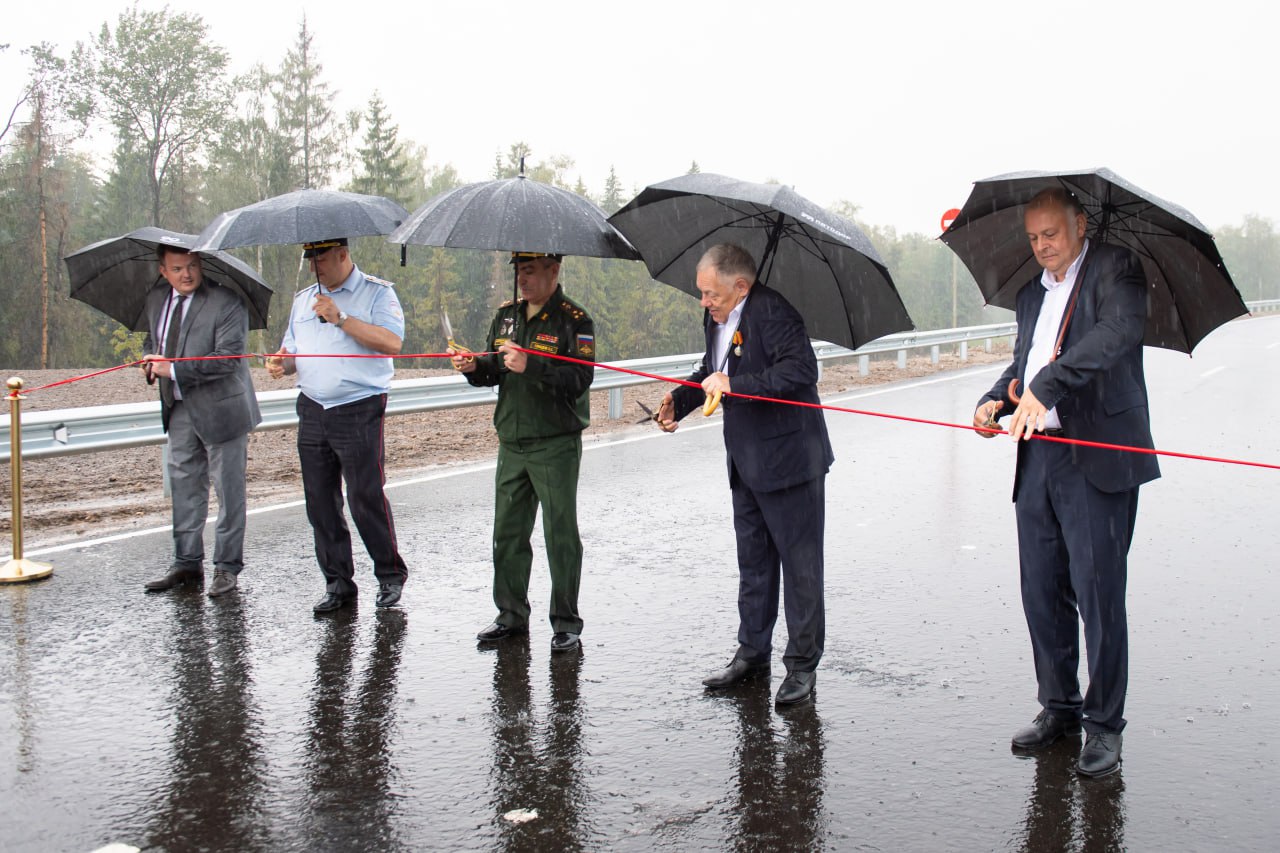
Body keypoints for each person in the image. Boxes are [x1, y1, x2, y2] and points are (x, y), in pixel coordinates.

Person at [972, 187, 1160, 777]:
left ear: (1080, 224)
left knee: (1099, 594)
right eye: (1033, 238)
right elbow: (1024, 364)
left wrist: (1048, 384)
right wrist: (993, 402)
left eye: (1051, 234)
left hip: (1097, 457)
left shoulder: (1116, 269)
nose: (1042, 246)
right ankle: (1060, 707)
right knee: (1042, 591)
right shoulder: (1033, 293)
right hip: (1039, 458)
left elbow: (1114, 338)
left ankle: (1105, 726)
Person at [655, 243, 833, 706]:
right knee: (754, 565)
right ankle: (752, 653)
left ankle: (801, 668)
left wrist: (737, 385)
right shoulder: (716, 316)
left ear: (741, 286)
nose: (703, 302)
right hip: (746, 462)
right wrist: (683, 399)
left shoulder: (775, 313)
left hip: (792, 461)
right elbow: (712, 371)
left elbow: (800, 371)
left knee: (800, 571)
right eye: (701, 294)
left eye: (710, 293)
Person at [452, 251, 595, 653]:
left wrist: (531, 365)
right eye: (518, 271)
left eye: (530, 271)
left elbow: (580, 378)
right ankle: (510, 616)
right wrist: (473, 367)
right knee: (508, 534)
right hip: (511, 440)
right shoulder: (507, 317)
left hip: (555, 442)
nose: (523, 279)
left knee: (560, 534)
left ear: (554, 270)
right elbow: (493, 369)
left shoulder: (574, 319)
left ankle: (566, 622)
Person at [267, 238, 409, 613]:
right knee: (320, 502)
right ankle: (338, 583)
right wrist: (282, 363)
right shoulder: (303, 300)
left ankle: (389, 575)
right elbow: (292, 353)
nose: (316, 265)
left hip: (359, 406)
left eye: (323, 257)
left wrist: (341, 319)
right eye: (310, 258)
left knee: (365, 496)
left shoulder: (377, 293)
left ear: (344, 254)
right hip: (313, 407)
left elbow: (392, 342)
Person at [141, 245, 261, 597]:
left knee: (228, 491)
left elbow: (227, 359)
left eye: (192, 266)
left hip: (223, 409)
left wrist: (174, 369)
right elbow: (153, 338)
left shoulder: (226, 302)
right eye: (178, 268)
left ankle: (226, 568)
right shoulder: (156, 298)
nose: (187, 274)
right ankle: (186, 563)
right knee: (183, 486)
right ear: (163, 270)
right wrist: (150, 360)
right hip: (178, 407)